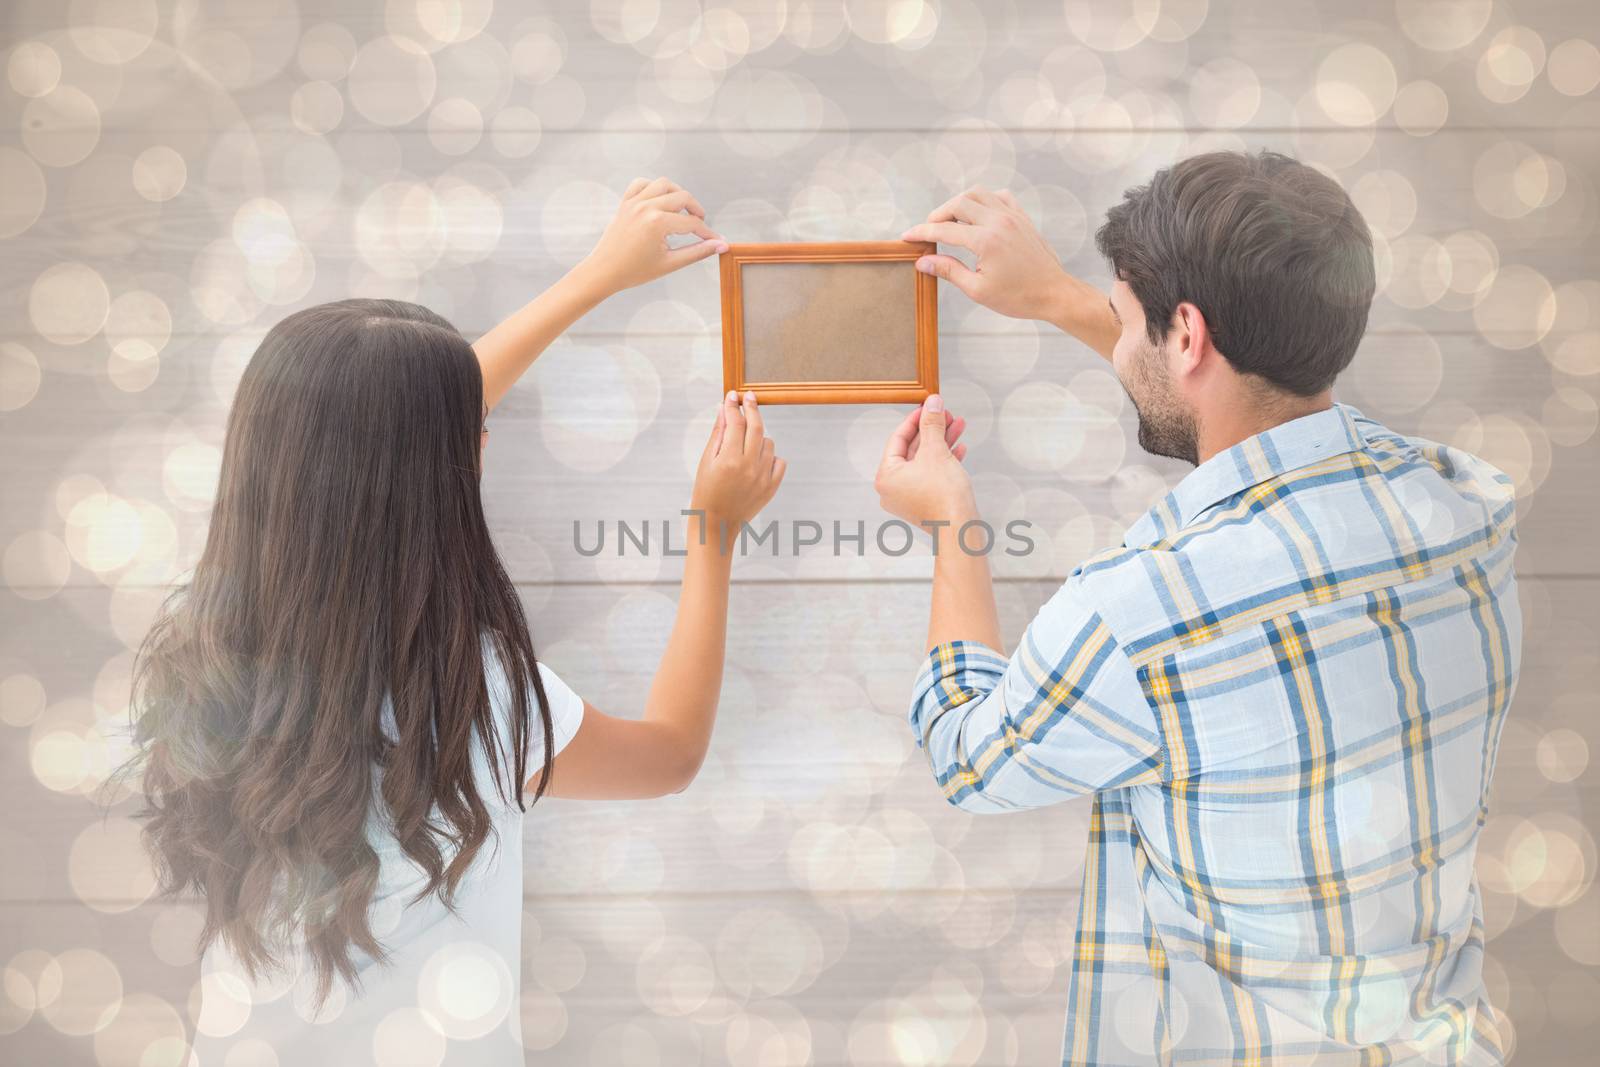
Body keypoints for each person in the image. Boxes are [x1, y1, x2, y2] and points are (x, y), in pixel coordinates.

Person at [120, 177, 787, 1065]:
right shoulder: (470, 694)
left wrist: (592, 279)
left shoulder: (196, 656)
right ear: (433, 473)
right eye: (474, 428)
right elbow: (668, 753)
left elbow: (377, 425)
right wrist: (713, 532)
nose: (484, 431)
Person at [876, 150, 1519, 1065]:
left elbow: (969, 755)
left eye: (1121, 319)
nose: (1115, 336)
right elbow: (1285, 420)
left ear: (1187, 336)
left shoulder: (1140, 613)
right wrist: (1063, 296)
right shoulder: (1462, 503)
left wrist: (950, 522)